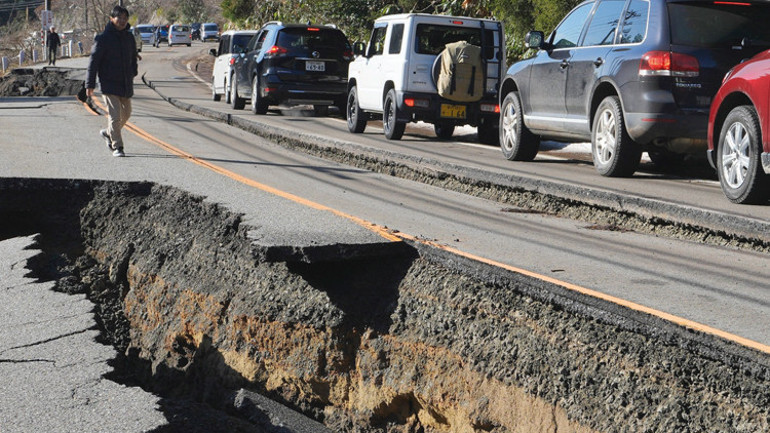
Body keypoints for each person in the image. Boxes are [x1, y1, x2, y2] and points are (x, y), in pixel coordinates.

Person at [86, 5, 137, 157]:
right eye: (119, 18)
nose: (122, 21)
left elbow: (133, 57)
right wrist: (89, 84)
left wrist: (133, 72)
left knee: (126, 114)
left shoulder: (129, 37)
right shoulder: (103, 39)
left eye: (124, 18)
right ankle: (117, 147)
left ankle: (109, 133)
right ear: (111, 19)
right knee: (115, 116)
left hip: (125, 83)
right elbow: (93, 62)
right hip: (109, 84)